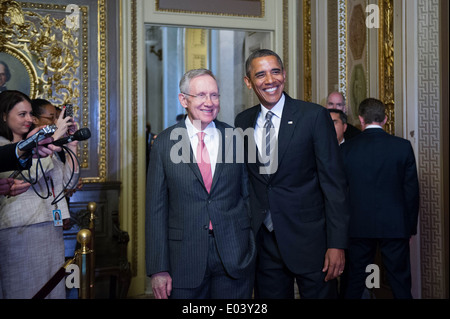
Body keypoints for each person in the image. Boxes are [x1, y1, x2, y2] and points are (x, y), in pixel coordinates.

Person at [234, 49, 349, 299]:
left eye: (275, 71)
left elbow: (334, 184)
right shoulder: (242, 121)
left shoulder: (313, 116)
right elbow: (245, 182)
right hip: (264, 245)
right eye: (261, 74)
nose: (270, 80)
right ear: (248, 82)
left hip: (312, 243)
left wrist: (336, 244)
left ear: (284, 75)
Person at [145, 69, 256, 299]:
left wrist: (249, 245)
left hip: (234, 257)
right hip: (184, 259)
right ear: (183, 99)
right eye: (202, 95)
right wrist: (158, 267)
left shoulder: (235, 137)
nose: (209, 102)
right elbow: (156, 209)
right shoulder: (164, 143)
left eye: (214, 95)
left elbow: (247, 195)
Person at [0, 90, 78, 299]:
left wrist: (71, 143)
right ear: (4, 115)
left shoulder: (40, 145)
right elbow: (30, 175)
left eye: (30, 114)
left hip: (50, 225)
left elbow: (69, 181)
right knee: (25, 290)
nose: (29, 119)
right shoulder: (2, 147)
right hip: (21, 228)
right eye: (22, 114)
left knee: (53, 289)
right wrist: (53, 137)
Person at [341, 98, 420, 299]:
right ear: (385, 119)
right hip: (395, 226)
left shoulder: (346, 149)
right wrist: (410, 228)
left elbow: (339, 193)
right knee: (400, 283)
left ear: (360, 119)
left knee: (355, 281)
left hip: (357, 226)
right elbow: (411, 192)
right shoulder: (402, 147)